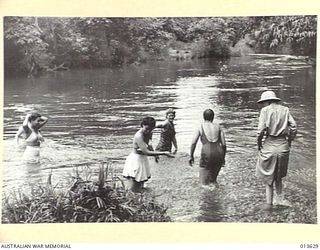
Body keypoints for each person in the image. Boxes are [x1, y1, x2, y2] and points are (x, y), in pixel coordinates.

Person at [256, 90, 297, 210]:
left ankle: (269, 207)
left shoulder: (265, 111)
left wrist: (259, 145)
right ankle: (280, 202)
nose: (263, 105)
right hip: (283, 146)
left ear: (267, 101)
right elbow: (293, 126)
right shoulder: (285, 109)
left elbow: (260, 131)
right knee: (278, 178)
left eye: (263, 103)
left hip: (269, 145)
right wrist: (289, 140)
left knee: (269, 181)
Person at [122, 116, 174, 192]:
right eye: (146, 129)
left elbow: (149, 145)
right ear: (142, 125)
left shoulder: (150, 132)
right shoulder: (138, 136)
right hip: (135, 160)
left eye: (150, 129)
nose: (148, 131)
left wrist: (155, 154)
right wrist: (163, 153)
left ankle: (140, 200)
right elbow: (146, 152)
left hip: (143, 159)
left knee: (141, 184)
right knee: (133, 187)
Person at [189, 109, 226, 187]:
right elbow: (224, 144)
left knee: (203, 184)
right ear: (213, 117)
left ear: (203, 117)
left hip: (207, 151)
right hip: (219, 152)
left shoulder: (200, 127)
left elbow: (193, 143)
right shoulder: (219, 127)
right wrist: (223, 158)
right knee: (213, 181)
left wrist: (191, 156)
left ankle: (206, 198)